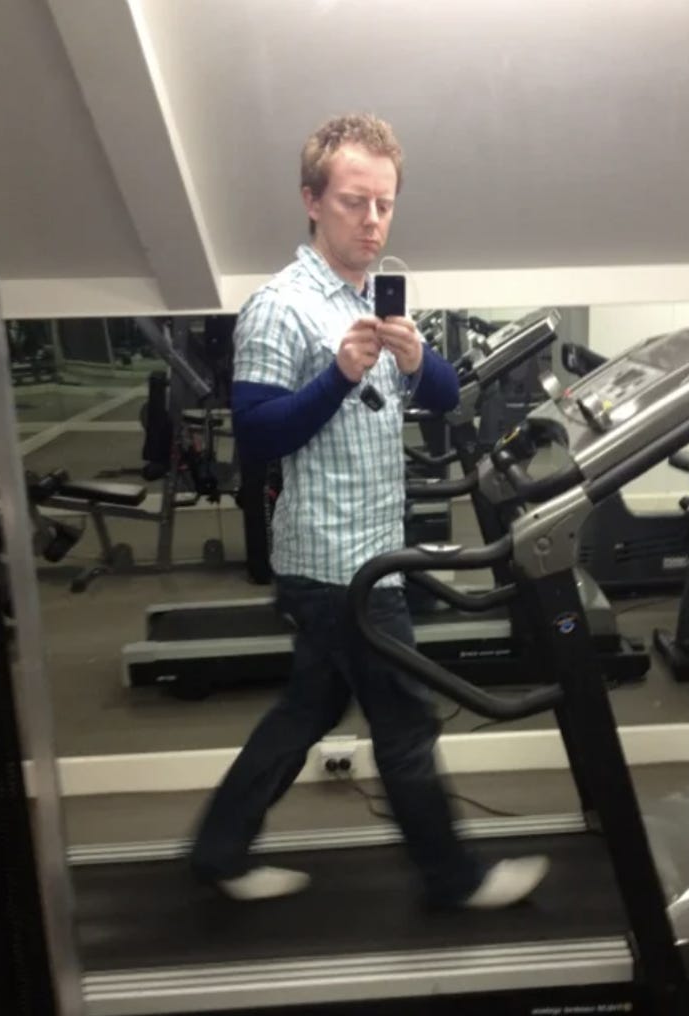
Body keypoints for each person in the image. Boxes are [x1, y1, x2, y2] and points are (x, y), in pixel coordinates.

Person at [190, 113, 549, 908]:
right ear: (312, 201)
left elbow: (448, 400)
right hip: (334, 565)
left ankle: (217, 850)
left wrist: (420, 359)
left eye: (385, 204)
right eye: (355, 202)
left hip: (373, 550)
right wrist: (336, 380)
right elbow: (253, 440)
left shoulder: (369, 298)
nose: (374, 221)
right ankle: (455, 879)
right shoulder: (279, 308)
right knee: (408, 722)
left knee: (307, 708)